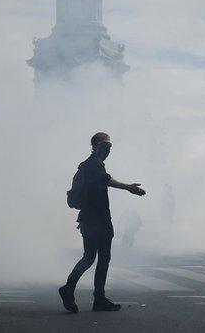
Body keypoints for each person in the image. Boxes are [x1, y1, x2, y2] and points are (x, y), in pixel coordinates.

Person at [59, 132, 145, 313]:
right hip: (96, 220)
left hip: (92, 220)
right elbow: (107, 181)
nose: (108, 151)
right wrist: (128, 187)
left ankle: (91, 296)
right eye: (106, 147)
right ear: (97, 146)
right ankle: (81, 293)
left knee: (93, 257)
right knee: (96, 258)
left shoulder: (91, 165)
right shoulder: (93, 165)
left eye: (110, 148)